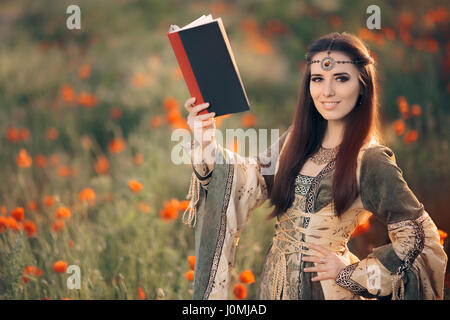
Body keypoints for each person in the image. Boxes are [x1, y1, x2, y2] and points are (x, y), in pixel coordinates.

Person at [181, 32, 447, 300]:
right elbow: (251, 181)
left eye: (341, 79)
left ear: (362, 85)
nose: (327, 91)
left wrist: (353, 272)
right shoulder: (296, 139)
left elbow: (420, 239)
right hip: (276, 286)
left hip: (327, 289)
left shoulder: (371, 159)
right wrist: (206, 142)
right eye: (318, 79)